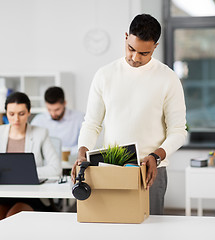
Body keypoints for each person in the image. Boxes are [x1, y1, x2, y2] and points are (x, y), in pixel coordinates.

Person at [71, 14, 187, 215]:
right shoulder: (104, 75)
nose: (135, 58)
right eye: (131, 49)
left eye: (144, 53)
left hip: (151, 171)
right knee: (114, 230)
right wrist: (82, 153)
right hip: (111, 169)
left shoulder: (168, 78)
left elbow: (178, 131)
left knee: (151, 231)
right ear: (126, 37)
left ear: (155, 47)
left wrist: (155, 157)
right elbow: (92, 124)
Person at [0, 92, 61, 225]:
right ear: (6, 113)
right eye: (11, 114)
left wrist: (26, 172)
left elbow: (56, 169)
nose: (16, 119)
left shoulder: (41, 133)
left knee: (13, 219)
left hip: (31, 195)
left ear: (29, 112)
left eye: (21, 113)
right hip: (3, 193)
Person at [31, 86, 84, 155]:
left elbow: (85, 145)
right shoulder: (38, 120)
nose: (53, 113)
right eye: (49, 109)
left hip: (72, 161)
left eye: (57, 109)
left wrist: (65, 152)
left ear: (64, 103)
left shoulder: (79, 118)